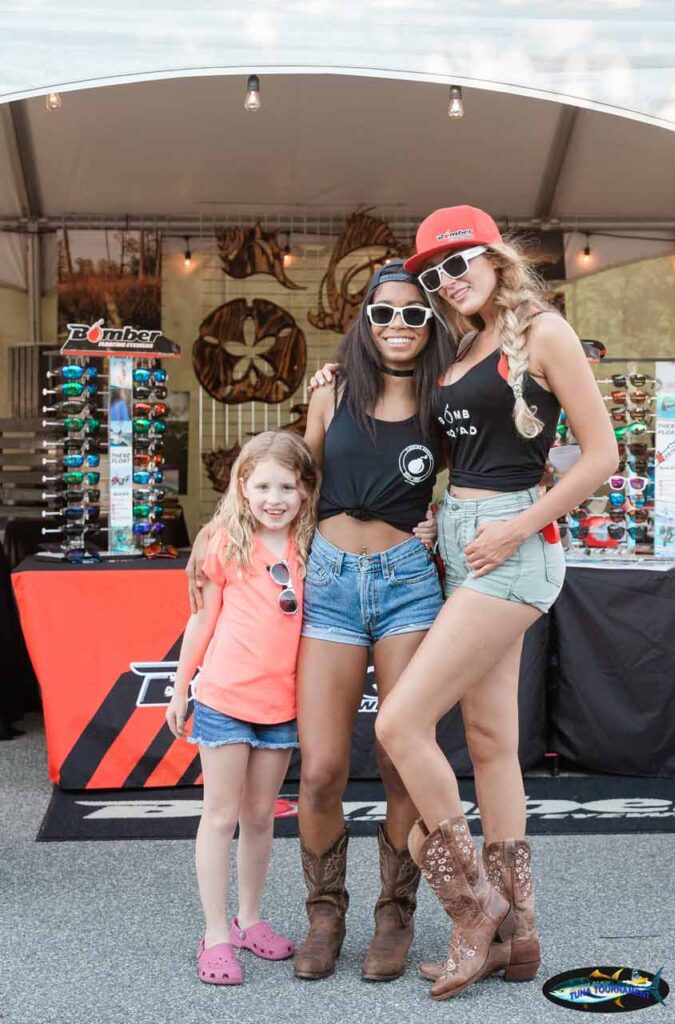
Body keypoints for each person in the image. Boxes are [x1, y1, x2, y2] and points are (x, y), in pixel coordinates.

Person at [367, 206, 619, 1001]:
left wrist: (513, 528)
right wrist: (450, 510)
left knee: (399, 723)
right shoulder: (464, 343)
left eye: (459, 260)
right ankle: (521, 933)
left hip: (515, 547)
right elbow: (469, 451)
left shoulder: (543, 331)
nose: (448, 278)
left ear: (495, 255)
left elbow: (603, 454)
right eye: (434, 272)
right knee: (488, 741)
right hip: (468, 539)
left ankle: (474, 910)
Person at [187, 260, 453, 983]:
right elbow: (301, 484)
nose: (397, 325)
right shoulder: (334, 390)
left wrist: (441, 527)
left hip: (406, 586)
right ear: (364, 322)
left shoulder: (443, 398)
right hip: (332, 584)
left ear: (430, 327)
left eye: (412, 314)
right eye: (383, 313)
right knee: (324, 769)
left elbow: (477, 476)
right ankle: (324, 914)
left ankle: (393, 916)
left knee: (401, 761)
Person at [167, 431, 319, 986]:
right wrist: (181, 687)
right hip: (226, 699)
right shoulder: (222, 542)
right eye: (261, 485)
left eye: (286, 485)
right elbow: (201, 620)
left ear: (305, 491)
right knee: (220, 815)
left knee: (260, 818)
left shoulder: (311, 546)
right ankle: (215, 934)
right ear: (241, 487)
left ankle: (250, 919)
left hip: (280, 706)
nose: (273, 497)